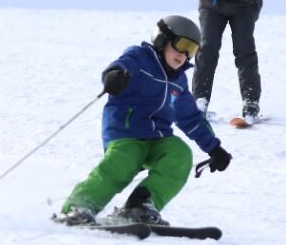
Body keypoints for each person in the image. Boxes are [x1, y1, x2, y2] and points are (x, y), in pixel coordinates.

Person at [56, 15, 233, 226]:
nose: (184, 55)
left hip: (158, 138)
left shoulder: (179, 81)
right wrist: (115, 75)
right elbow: (122, 65)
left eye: (192, 50)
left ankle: (140, 206)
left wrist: (214, 148)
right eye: (181, 45)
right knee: (122, 165)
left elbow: (190, 118)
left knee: (179, 155)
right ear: (162, 39)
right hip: (126, 133)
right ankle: (79, 206)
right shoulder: (140, 58)